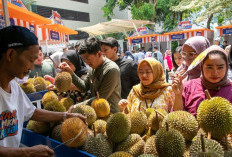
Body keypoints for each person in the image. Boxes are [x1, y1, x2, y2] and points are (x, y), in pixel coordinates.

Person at [0, 26, 86, 156]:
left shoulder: (14, 86)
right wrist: (27, 152)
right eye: (30, 59)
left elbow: (32, 112)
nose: (31, 66)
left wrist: (65, 116)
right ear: (10, 54)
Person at [60, 37, 121, 113]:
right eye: (83, 59)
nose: (86, 62)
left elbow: (101, 98)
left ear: (98, 54)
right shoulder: (92, 68)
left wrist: (77, 106)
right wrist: (71, 73)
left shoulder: (111, 70)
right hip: (95, 112)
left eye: (88, 58)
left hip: (110, 113)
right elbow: (84, 87)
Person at [172, 45, 232, 116]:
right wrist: (178, 95)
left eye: (220, 67)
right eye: (209, 67)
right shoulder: (188, 87)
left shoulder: (230, 89)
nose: (215, 73)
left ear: (226, 67)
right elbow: (177, 117)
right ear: (202, 66)